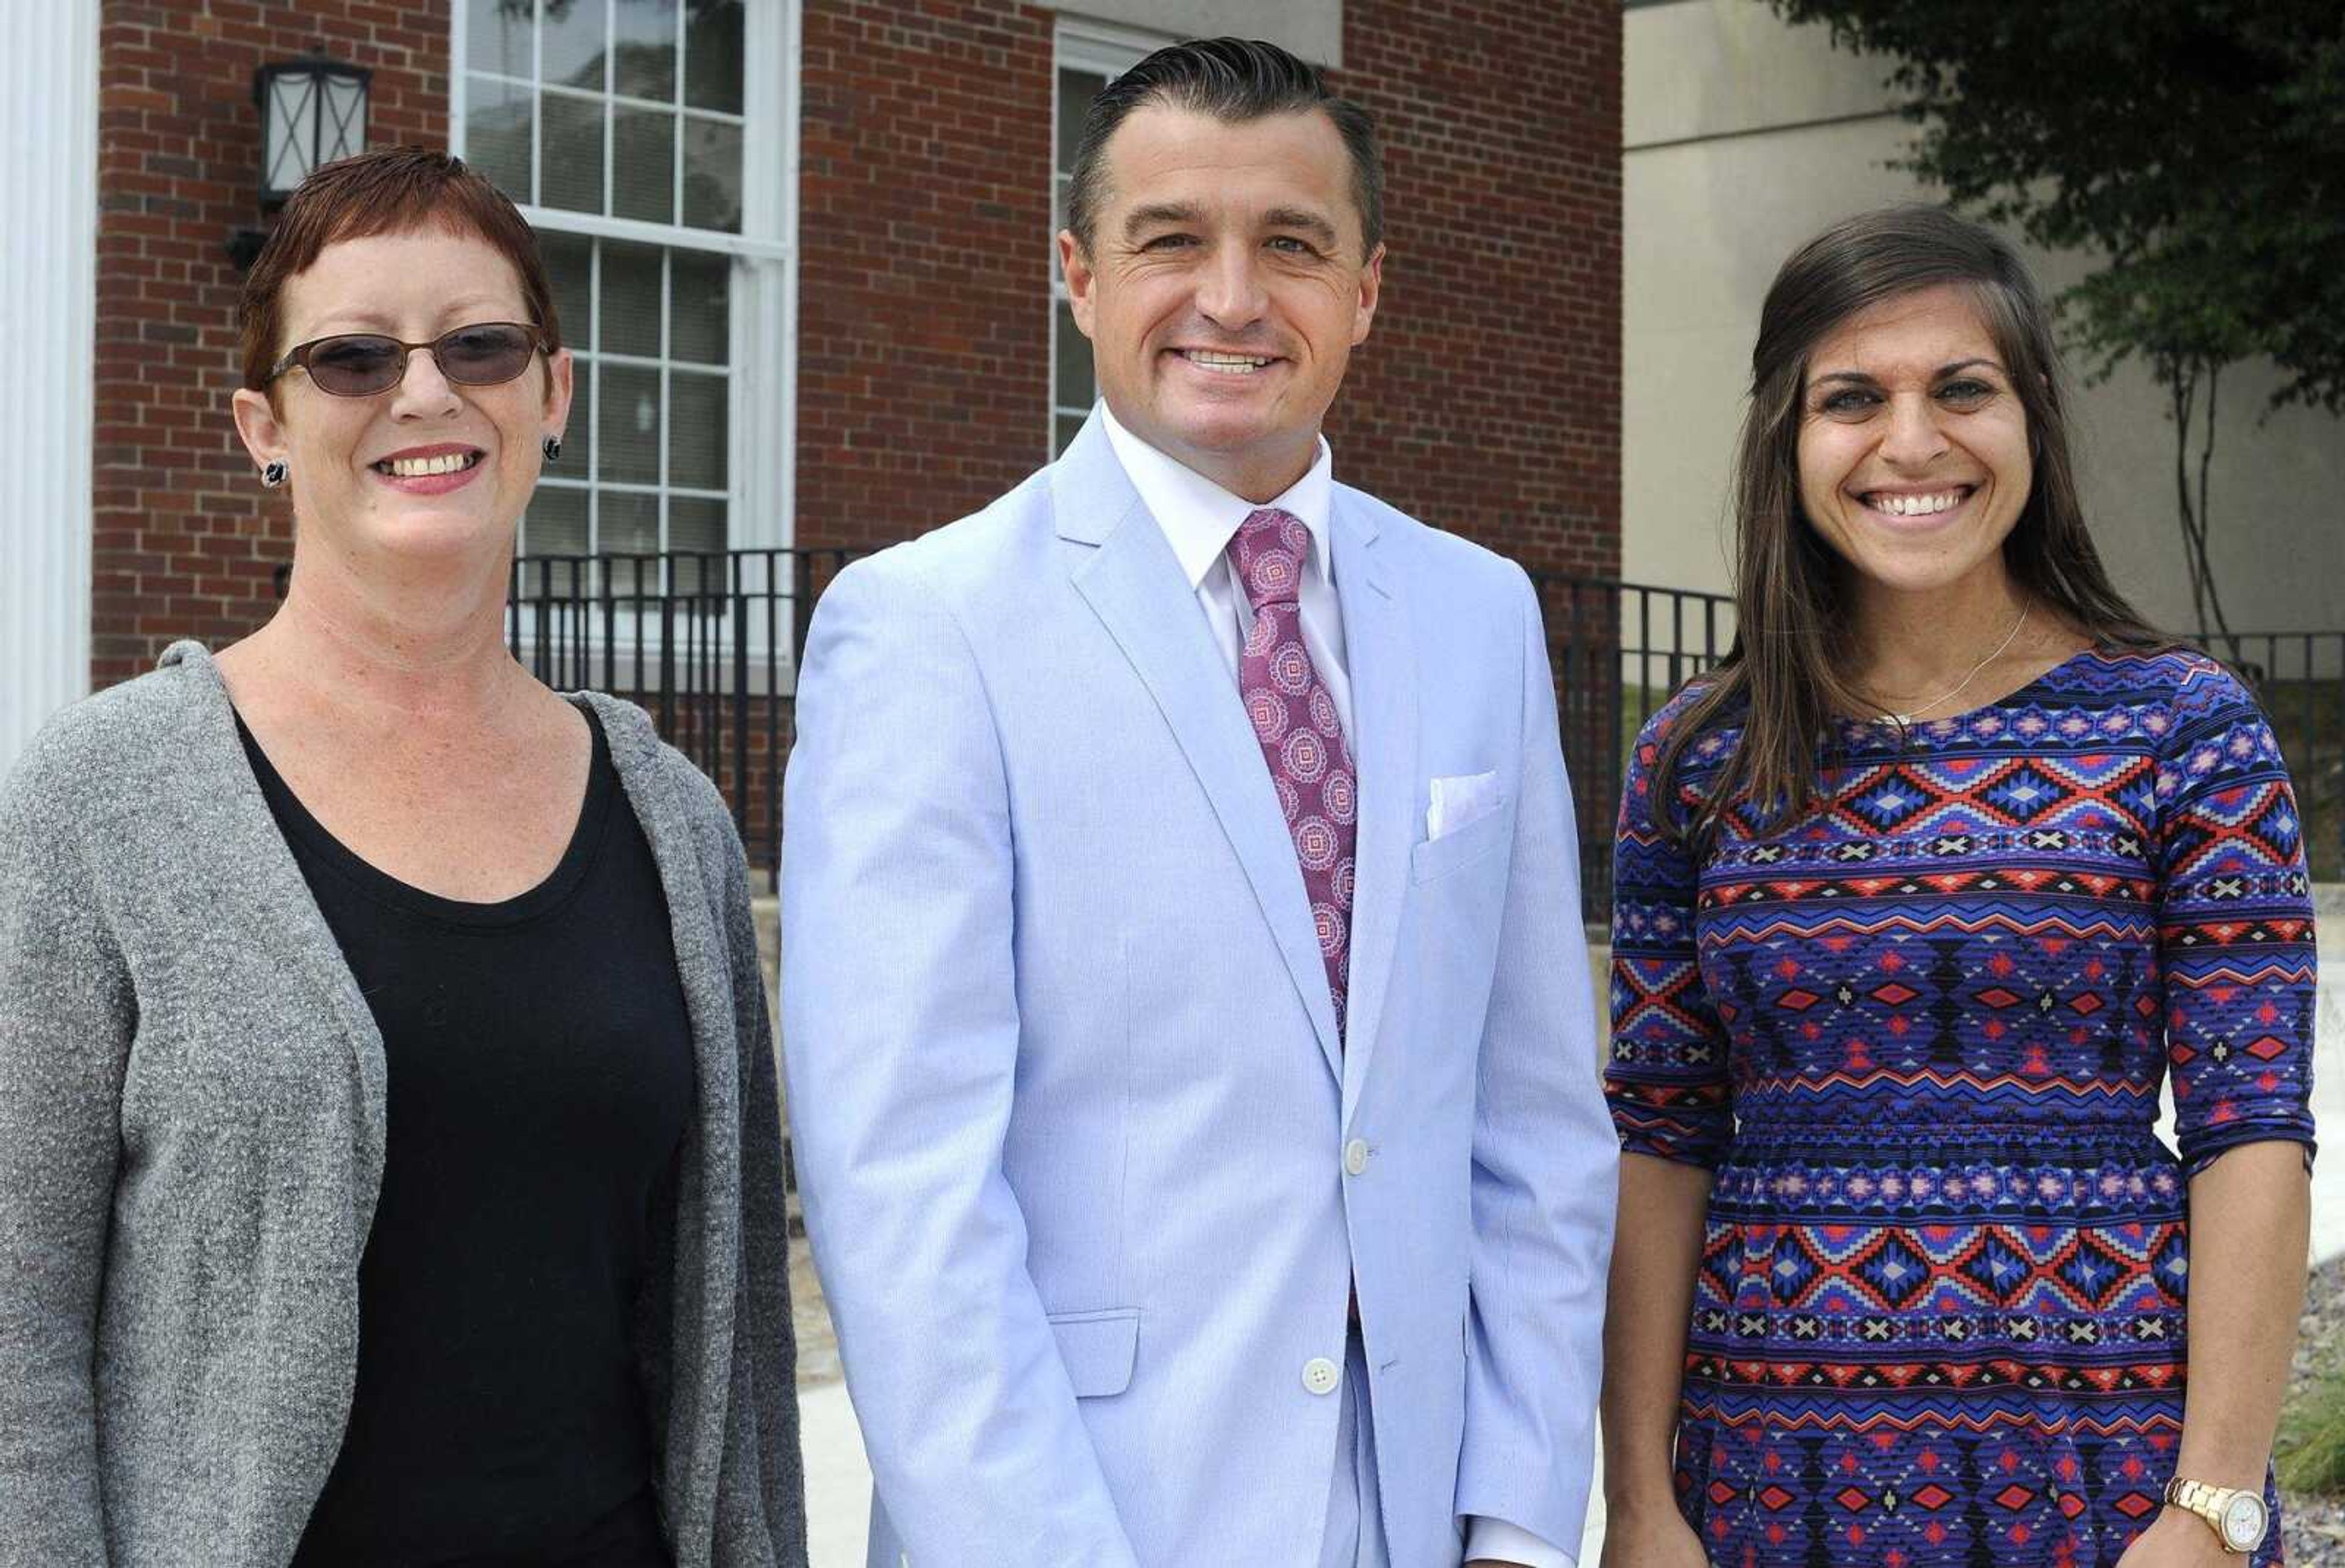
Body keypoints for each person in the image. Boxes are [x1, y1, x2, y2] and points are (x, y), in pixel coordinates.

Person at [782, 37, 1615, 1568]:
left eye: (1291, 246)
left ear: (1366, 292)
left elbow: (1535, 1129)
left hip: (1427, 1520)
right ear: (1078, 276)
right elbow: (904, 1192)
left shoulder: (1480, 614)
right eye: (1172, 240)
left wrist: (1516, 1523)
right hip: (1093, 1521)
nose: (1232, 299)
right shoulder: (928, 627)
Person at [0, 147, 804, 1567]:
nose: (425, 395)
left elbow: (729, 1346)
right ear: (264, 422)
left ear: (551, 394)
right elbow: (18, 1334)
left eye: (479, 345)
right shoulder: (101, 801)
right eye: (355, 358)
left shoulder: (670, 818)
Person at [1598, 205, 2316, 1568]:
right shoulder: (1699, 759)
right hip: (1764, 1482)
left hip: (2110, 1476)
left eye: (1963, 390)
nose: (1911, 443)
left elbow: (2253, 1134)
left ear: (2032, 418)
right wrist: (1642, 1504)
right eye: (1853, 399)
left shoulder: (2182, 728)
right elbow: (1660, 1141)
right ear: (1787, 442)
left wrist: (2211, 1510)